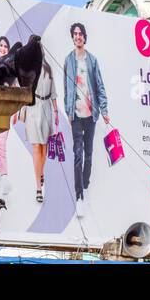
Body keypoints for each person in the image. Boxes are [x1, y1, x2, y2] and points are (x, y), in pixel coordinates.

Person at [62, 22, 109, 211]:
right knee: (77, 155)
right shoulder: (68, 60)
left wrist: (104, 111)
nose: (78, 36)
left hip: (91, 114)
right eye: (75, 34)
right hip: (76, 114)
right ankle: (79, 193)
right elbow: (66, 88)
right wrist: (68, 110)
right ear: (72, 37)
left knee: (88, 155)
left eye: (80, 34)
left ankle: (86, 185)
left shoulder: (92, 60)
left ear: (84, 37)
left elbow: (100, 86)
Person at [20, 55, 58, 203]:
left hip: (46, 107)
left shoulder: (48, 68)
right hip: (33, 108)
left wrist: (55, 111)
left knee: (44, 147)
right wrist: (20, 110)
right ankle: (38, 188)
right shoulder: (28, 69)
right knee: (36, 147)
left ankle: (41, 172)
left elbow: (53, 92)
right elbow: (24, 91)